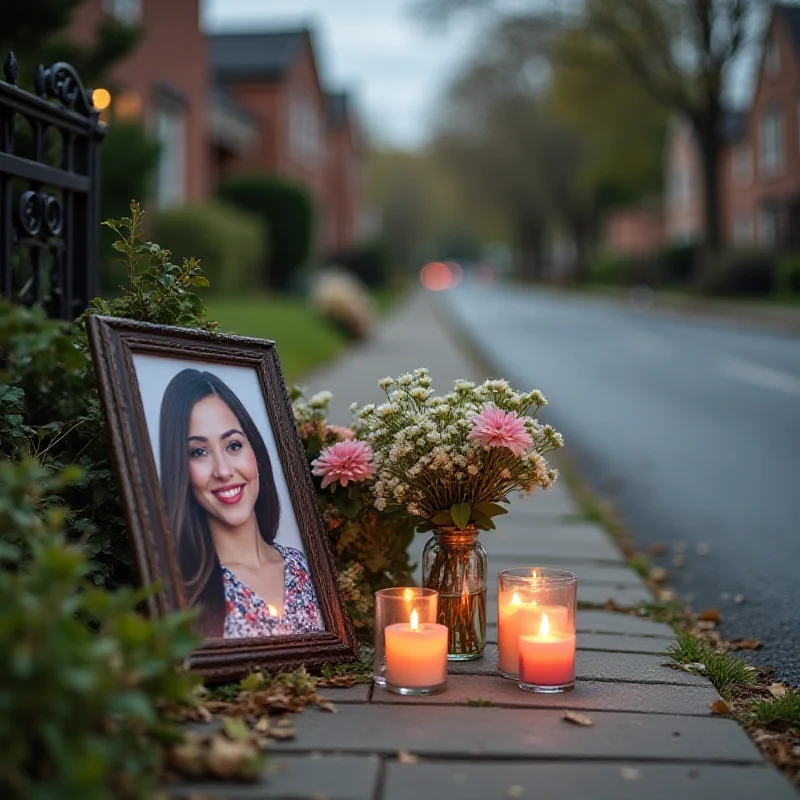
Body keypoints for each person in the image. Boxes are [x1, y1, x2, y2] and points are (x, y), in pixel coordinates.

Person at [158, 368, 323, 639]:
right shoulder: (181, 592)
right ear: (180, 470)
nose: (223, 470)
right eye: (199, 452)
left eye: (233, 445)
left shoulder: (308, 569)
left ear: (255, 452)